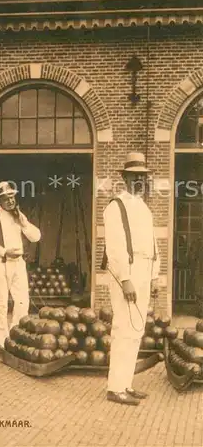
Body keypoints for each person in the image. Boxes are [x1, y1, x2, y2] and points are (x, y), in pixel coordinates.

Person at [103, 152, 160, 406]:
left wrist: (154, 275)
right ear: (125, 178)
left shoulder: (144, 208)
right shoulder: (116, 206)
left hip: (145, 270)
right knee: (124, 328)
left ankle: (126, 383)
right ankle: (115, 387)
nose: (140, 181)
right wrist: (126, 279)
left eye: (143, 177)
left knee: (137, 329)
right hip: (127, 269)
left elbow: (153, 244)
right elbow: (115, 247)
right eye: (135, 177)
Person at [0, 181, 41, 347]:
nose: (10, 201)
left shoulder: (18, 215)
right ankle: (2, 340)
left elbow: (36, 237)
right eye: (6, 199)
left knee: (23, 302)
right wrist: (4, 251)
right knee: (1, 304)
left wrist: (24, 223)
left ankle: (16, 334)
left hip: (18, 264)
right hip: (0, 264)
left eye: (12, 197)